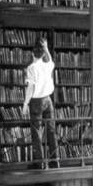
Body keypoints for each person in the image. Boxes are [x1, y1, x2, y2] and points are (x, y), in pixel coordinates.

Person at [22, 37, 59, 168]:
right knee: (51, 130)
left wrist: (25, 104)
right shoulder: (48, 65)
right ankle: (55, 161)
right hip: (48, 100)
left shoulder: (31, 68)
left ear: (32, 53)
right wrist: (46, 47)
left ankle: (40, 163)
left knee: (36, 132)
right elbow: (50, 59)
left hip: (36, 102)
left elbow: (30, 88)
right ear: (43, 53)